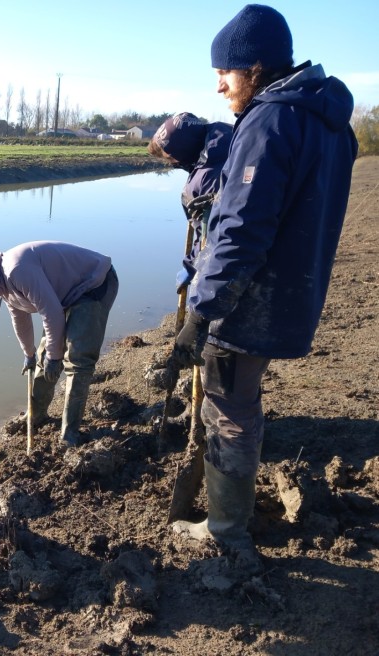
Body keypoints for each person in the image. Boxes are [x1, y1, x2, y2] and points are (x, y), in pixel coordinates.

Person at [167, 4, 358, 558]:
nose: (219, 86)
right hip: (294, 293)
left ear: (253, 67)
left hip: (248, 301)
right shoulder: (331, 122)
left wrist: (202, 311)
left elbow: (241, 230)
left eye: (223, 73)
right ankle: (231, 513)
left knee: (227, 409)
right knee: (242, 402)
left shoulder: (270, 119)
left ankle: (225, 530)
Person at [0, 242, 118, 447]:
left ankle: (70, 434)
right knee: (44, 356)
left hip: (93, 282)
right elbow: (20, 318)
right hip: (65, 294)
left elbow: (51, 312)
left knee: (77, 359)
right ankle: (37, 413)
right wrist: (29, 354)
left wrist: (55, 357)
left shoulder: (15, 270)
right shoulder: (0, 283)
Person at [148, 112, 233, 294]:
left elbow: (209, 235)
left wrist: (190, 266)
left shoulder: (207, 177)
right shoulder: (225, 137)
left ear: (182, 150)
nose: (172, 164)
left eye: (170, 158)